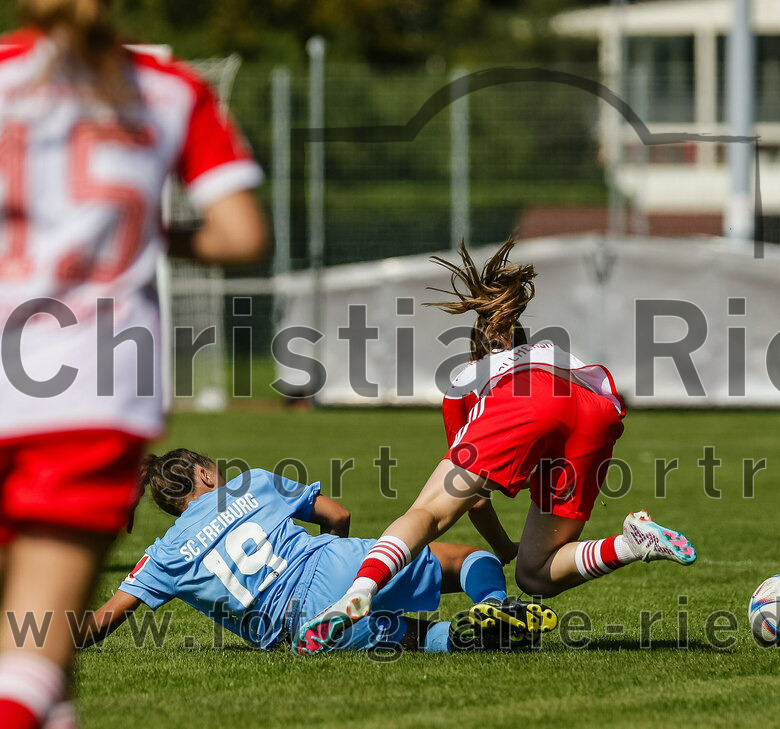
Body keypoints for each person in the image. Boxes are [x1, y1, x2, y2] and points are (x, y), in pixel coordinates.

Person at [0, 2, 267, 727]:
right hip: (90, 389)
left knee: (30, 657)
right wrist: (150, 230)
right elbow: (241, 234)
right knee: (34, 653)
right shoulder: (168, 87)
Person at [293, 239, 697, 656]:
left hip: (528, 399)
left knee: (428, 512)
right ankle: (633, 543)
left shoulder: (468, 378)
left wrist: (502, 546)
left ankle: (359, 592)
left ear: (475, 349)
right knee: (535, 574)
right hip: (595, 410)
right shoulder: (551, 353)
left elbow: (474, 499)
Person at [78, 450, 556, 656]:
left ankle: (460, 637)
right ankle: (495, 606)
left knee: (412, 637)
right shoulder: (250, 483)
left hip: (290, 626)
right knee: (470, 558)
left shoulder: (163, 556)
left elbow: (100, 624)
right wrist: (346, 554)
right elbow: (338, 514)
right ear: (204, 475)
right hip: (333, 564)